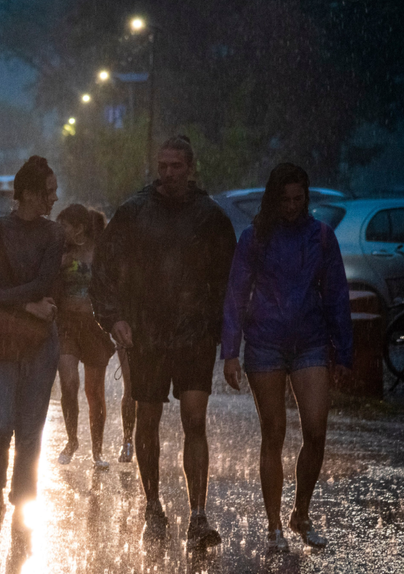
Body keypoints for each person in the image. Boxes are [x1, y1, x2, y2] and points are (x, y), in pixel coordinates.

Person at [90, 136, 236, 549]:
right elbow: (104, 269)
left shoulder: (210, 218)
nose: (168, 173)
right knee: (147, 419)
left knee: (194, 419)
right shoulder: (134, 212)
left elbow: (230, 282)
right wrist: (114, 318)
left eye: (176, 166)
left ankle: (198, 515)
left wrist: (227, 339)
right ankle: (152, 505)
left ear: (190, 168)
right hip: (147, 333)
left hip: (193, 334)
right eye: (163, 166)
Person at [221, 163, 353, 551]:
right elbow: (235, 294)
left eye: (299, 199)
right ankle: (274, 526)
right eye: (286, 199)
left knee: (316, 429)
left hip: (310, 341)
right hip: (265, 343)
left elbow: (336, 295)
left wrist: (344, 351)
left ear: (306, 198)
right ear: (274, 198)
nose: (293, 206)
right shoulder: (255, 238)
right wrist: (231, 351)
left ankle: (302, 512)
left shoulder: (321, 238)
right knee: (273, 435)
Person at [0, 155, 63, 536]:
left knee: (30, 428)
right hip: (0, 337)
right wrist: (23, 304)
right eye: (49, 192)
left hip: (41, 341)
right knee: (1, 420)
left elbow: (43, 284)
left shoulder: (54, 234)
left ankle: (22, 506)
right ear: (27, 194)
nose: (54, 199)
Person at [54, 204, 125, 471]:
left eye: (65, 227)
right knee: (69, 383)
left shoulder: (101, 255)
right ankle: (72, 440)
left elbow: (115, 286)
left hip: (96, 329)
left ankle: (97, 451)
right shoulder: (60, 254)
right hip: (67, 326)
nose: (60, 231)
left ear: (80, 228)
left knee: (94, 392)